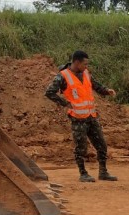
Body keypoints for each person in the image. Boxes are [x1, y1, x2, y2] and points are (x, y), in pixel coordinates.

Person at [45, 50, 118, 183]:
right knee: (81, 148)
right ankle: (83, 173)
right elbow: (49, 92)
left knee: (101, 145)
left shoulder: (86, 73)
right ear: (77, 62)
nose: (86, 66)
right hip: (78, 119)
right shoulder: (63, 76)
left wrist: (107, 91)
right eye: (85, 64)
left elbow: (96, 85)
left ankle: (103, 172)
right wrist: (65, 103)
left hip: (91, 116)